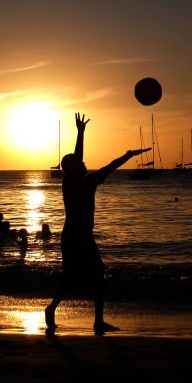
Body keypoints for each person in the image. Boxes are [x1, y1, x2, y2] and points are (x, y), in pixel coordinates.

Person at [45, 112, 150, 335]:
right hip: (77, 236)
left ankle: (79, 316)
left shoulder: (73, 181)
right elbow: (107, 165)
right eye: (80, 162)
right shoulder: (80, 181)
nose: (84, 162)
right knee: (88, 274)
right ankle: (89, 319)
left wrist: (126, 155)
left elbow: (101, 164)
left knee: (81, 275)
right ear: (73, 168)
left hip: (76, 235)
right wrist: (127, 156)